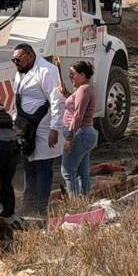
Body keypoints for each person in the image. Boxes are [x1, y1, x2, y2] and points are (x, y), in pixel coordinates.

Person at [11, 43, 65, 216]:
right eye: (13, 60)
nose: (16, 63)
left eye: (18, 59)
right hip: (25, 129)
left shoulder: (47, 71)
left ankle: (41, 209)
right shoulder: (20, 72)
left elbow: (57, 101)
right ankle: (28, 205)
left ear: (30, 55)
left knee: (42, 168)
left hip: (43, 128)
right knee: (29, 167)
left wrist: (55, 128)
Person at [58, 60, 98, 196]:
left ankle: (75, 204)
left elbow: (78, 115)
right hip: (83, 134)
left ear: (82, 75)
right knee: (82, 172)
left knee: (68, 171)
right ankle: (84, 201)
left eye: (72, 74)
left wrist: (69, 138)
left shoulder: (83, 90)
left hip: (79, 134)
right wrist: (67, 95)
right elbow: (77, 106)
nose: (70, 77)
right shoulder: (86, 89)